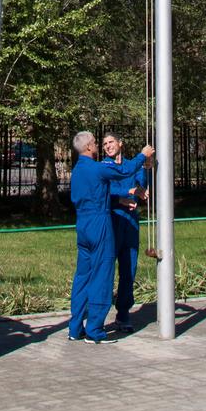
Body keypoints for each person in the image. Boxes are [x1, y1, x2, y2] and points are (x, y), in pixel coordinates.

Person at [68, 131, 154, 344]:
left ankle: (75, 327)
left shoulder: (78, 170)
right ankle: (95, 330)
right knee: (102, 276)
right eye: (97, 143)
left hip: (83, 225)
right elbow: (124, 170)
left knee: (83, 276)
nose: (100, 145)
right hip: (100, 224)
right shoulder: (99, 168)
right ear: (89, 147)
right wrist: (143, 155)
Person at [101, 132, 150, 332]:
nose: (107, 146)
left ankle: (123, 314)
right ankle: (99, 316)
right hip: (113, 220)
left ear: (121, 143)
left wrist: (140, 187)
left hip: (130, 222)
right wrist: (124, 196)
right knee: (106, 269)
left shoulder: (132, 165)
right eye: (104, 144)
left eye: (111, 142)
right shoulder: (104, 166)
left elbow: (141, 183)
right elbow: (105, 191)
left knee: (129, 268)